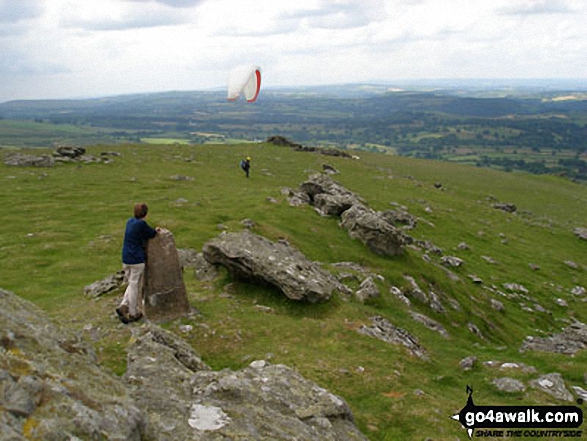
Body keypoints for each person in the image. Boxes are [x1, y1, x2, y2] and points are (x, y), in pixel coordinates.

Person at [116, 203, 158, 324]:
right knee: (135, 285)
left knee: (131, 283)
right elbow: (151, 233)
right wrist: (156, 230)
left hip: (126, 257)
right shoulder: (141, 224)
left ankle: (123, 305)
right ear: (145, 213)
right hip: (136, 259)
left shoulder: (130, 221)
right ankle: (133, 312)